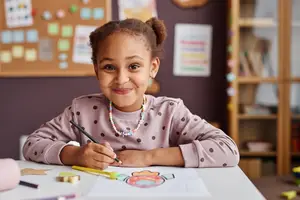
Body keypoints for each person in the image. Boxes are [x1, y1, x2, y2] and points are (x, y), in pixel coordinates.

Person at [23, 17, 239, 169]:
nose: (121, 79)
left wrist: (148, 157)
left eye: (134, 66)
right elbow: (32, 145)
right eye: (109, 67)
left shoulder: (170, 112)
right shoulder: (82, 111)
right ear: (96, 69)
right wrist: (75, 154)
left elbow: (228, 150)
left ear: (153, 68)